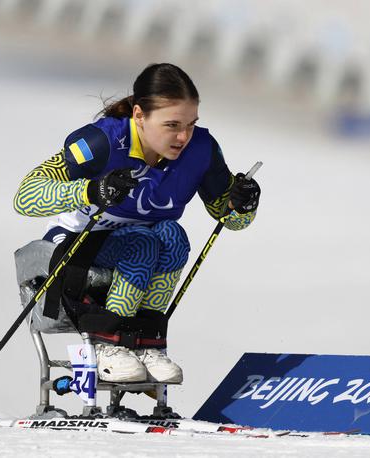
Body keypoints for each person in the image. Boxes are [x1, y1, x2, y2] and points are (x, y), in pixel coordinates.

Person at [13, 63, 260, 385]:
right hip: (77, 245)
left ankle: (146, 344)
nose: (183, 136)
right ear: (140, 116)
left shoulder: (202, 150)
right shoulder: (102, 142)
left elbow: (229, 218)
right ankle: (108, 345)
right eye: (171, 125)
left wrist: (244, 203)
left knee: (173, 236)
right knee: (142, 242)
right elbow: (26, 196)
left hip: (144, 246)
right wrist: (90, 190)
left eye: (190, 124)